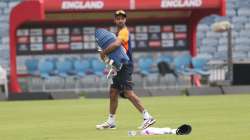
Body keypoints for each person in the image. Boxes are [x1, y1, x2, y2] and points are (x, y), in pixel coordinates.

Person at [96, 10, 156, 130]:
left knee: (128, 93)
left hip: (125, 66)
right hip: (119, 66)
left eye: (122, 18)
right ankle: (111, 121)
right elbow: (116, 50)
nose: (120, 20)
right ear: (115, 20)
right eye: (118, 18)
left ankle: (148, 117)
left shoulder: (124, 32)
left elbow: (117, 45)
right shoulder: (117, 32)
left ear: (125, 20)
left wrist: (104, 52)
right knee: (113, 92)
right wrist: (109, 61)